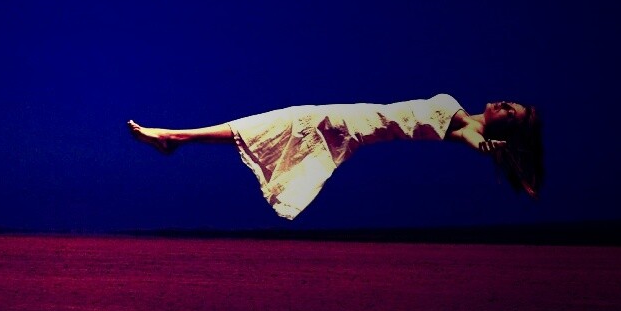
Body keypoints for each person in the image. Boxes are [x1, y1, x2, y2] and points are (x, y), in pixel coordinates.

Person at [127, 93, 543, 220]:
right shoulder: (464, 114)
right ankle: (176, 137)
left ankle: (174, 136)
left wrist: (494, 151)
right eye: (511, 103)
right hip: (353, 118)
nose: (505, 105)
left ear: (504, 128)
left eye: (511, 114)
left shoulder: (470, 129)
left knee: (274, 123)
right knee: (270, 124)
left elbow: (476, 142)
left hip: (352, 125)